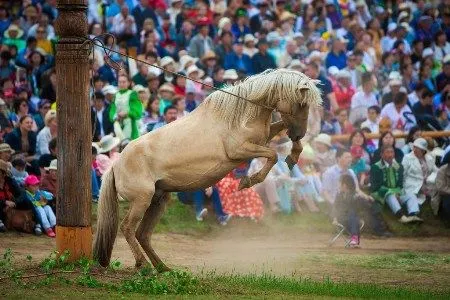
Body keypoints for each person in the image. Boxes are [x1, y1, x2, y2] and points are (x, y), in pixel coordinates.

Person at [370, 145, 422, 224]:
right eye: (387, 152)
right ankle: (401, 217)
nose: (390, 155)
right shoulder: (375, 167)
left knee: (411, 195)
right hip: (380, 193)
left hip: (397, 193)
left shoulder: (399, 166)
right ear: (382, 155)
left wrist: (397, 192)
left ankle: (413, 215)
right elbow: (376, 186)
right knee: (389, 195)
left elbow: (400, 184)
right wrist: (392, 192)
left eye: (392, 152)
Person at [402, 138, 438, 206]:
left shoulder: (429, 158)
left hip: (427, 184)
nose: (414, 149)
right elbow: (403, 174)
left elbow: (436, 170)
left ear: (423, 150)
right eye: (414, 147)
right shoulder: (407, 158)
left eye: (417, 148)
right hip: (412, 184)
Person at [332, 173, 364, 248]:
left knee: (352, 214)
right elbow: (335, 207)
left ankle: (354, 238)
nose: (339, 185)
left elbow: (359, 209)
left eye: (340, 183)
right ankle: (354, 238)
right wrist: (334, 218)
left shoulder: (354, 195)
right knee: (352, 216)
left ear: (345, 185)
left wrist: (358, 199)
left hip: (352, 219)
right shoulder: (339, 195)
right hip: (342, 218)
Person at [109, 74, 143, 142]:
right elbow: (112, 110)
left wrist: (127, 113)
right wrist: (115, 116)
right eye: (120, 82)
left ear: (128, 83)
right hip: (118, 124)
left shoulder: (132, 94)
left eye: (124, 82)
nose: (121, 84)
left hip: (130, 124)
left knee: (129, 144)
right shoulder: (116, 95)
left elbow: (137, 111)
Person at [0, 160, 24, 233]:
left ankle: (38, 224)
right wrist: (5, 202)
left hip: (8, 209)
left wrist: (13, 203)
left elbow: (21, 193)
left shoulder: (9, 181)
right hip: (1, 207)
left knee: (26, 200)